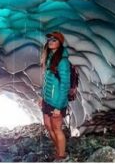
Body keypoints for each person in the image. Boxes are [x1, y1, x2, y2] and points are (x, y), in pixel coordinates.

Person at [41, 31, 71, 161]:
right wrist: (42, 97)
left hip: (57, 102)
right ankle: (58, 150)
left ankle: (61, 155)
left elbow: (65, 85)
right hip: (47, 100)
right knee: (48, 126)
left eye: (54, 40)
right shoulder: (50, 57)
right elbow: (47, 81)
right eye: (50, 40)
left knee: (57, 128)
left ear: (60, 43)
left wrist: (59, 106)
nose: (51, 42)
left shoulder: (63, 62)